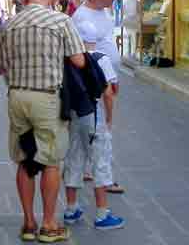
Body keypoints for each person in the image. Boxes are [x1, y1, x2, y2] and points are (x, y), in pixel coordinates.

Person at [0, 0, 86, 243]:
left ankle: (28, 222)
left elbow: (1, 68)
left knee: (25, 158)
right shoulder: (60, 21)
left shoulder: (7, 25)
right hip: (46, 98)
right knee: (50, 161)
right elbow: (79, 60)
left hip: (17, 96)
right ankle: (48, 224)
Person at [63, 21, 125, 231]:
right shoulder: (100, 58)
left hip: (73, 115)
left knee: (74, 157)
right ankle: (102, 213)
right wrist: (109, 118)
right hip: (93, 113)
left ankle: (71, 209)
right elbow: (108, 93)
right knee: (100, 159)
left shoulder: (67, 58)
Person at [71, 0, 124, 194]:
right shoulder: (82, 18)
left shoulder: (104, 12)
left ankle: (85, 170)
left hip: (107, 76)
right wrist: (106, 86)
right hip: (96, 82)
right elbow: (87, 55)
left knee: (91, 128)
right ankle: (104, 178)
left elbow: (108, 41)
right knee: (101, 129)